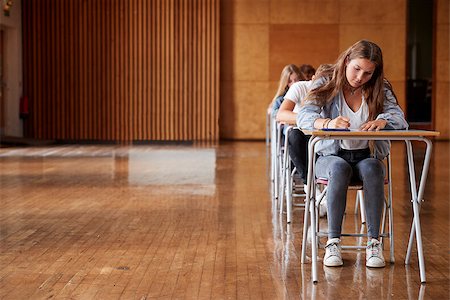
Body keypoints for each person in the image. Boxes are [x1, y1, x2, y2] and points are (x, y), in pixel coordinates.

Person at [297, 40, 408, 268]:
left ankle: (374, 243)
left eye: (368, 73)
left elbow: (400, 119)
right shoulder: (326, 81)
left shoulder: (380, 87)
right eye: (357, 68)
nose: (360, 77)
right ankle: (333, 242)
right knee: (339, 168)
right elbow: (303, 117)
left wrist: (382, 120)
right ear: (347, 60)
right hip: (330, 158)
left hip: (364, 156)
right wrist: (328, 122)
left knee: (374, 168)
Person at [276, 64, 328, 217]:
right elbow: (280, 114)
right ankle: (309, 186)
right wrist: (311, 120)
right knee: (295, 136)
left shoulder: (336, 93)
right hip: (301, 132)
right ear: (312, 79)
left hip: (323, 135)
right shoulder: (300, 88)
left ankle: (323, 195)